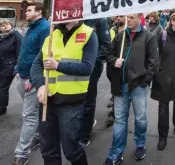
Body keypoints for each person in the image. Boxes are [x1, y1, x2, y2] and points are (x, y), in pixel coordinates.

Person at [31, 20, 98, 165]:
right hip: (47, 102)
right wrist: (40, 85)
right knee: (48, 150)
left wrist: (57, 65)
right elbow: (37, 65)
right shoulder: (52, 34)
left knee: (71, 150)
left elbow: (87, 67)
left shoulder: (89, 34)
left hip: (71, 103)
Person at [104, 14, 159, 165]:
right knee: (120, 119)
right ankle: (116, 151)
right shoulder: (120, 36)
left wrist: (145, 81)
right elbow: (108, 53)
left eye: (132, 17)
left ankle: (140, 144)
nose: (129, 20)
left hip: (138, 85)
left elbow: (154, 62)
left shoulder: (149, 37)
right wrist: (114, 61)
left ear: (139, 19)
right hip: (120, 85)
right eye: (128, 18)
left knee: (140, 118)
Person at [11, 3, 50, 165]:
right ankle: (39, 136)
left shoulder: (45, 28)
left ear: (39, 12)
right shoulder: (31, 26)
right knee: (34, 111)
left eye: (29, 10)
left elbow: (43, 56)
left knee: (29, 115)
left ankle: (22, 153)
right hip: (22, 75)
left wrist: (35, 80)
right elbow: (25, 50)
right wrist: (17, 69)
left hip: (32, 79)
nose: (25, 12)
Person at [151, 12, 175, 150]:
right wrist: (157, 73)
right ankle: (163, 137)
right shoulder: (163, 36)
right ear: (172, 22)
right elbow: (155, 56)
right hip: (163, 77)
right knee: (163, 107)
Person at [79, 18, 110, 147]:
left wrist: (91, 59)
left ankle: (84, 136)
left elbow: (106, 45)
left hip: (92, 66)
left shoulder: (100, 20)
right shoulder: (75, 17)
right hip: (74, 65)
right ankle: (83, 124)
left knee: (87, 99)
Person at [106, 16, 126, 128]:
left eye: (121, 16)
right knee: (115, 86)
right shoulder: (112, 30)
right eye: (117, 16)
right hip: (113, 65)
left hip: (126, 66)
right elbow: (108, 48)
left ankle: (114, 114)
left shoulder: (130, 31)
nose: (119, 18)